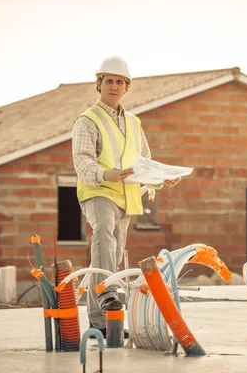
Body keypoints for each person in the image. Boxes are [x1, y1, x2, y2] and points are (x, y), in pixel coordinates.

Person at [72, 56, 181, 334]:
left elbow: (144, 161)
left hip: (127, 197)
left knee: (114, 251)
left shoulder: (134, 123)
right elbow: (82, 161)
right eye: (108, 80)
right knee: (104, 234)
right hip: (99, 192)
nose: (114, 86)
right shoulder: (87, 120)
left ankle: (102, 321)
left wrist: (160, 179)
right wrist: (105, 174)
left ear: (127, 88)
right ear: (99, 84)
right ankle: (108, 290)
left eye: (119, 81)